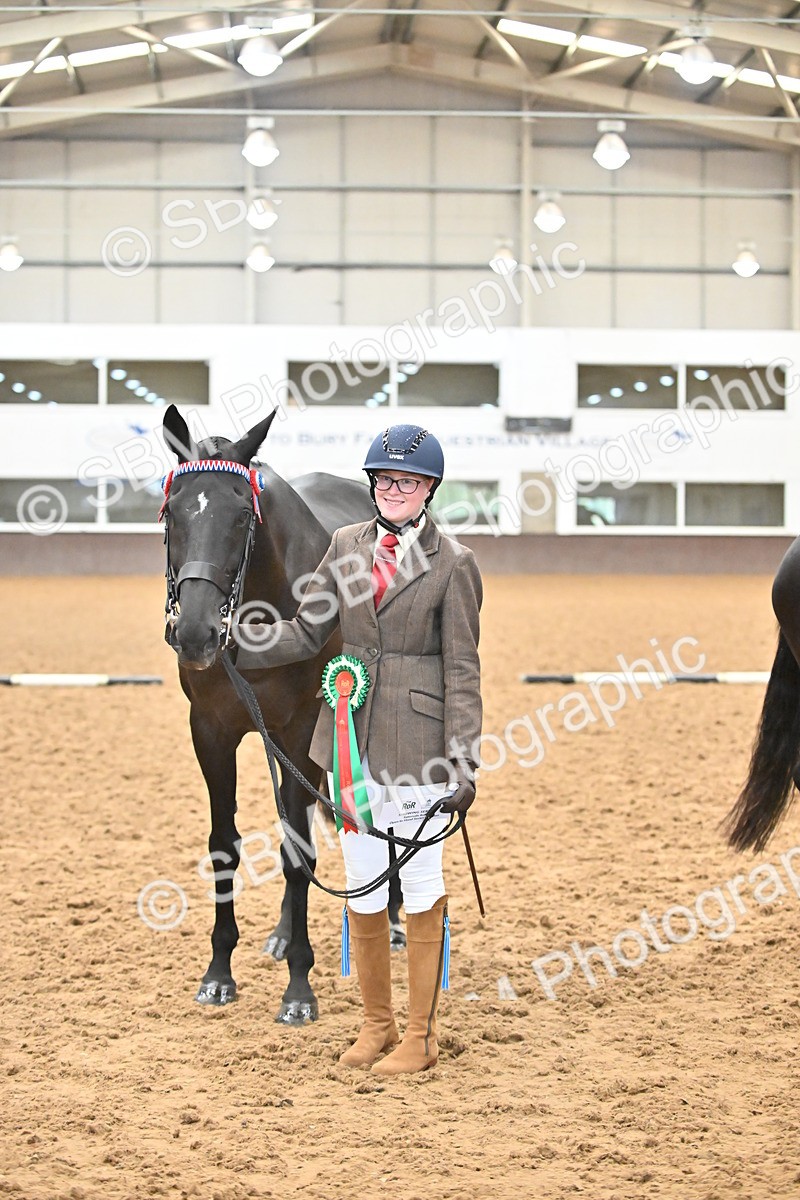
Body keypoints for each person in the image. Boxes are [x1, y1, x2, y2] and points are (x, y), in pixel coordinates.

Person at [235, 423, 482, 1074]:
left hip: (422, 741)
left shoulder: (454, 562)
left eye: (406, 481)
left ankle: (422, 1039)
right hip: (348, 737)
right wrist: (238, 643)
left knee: (421, 880)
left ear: (428, 488)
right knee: (363, 885)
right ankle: (378, 1028)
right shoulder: (345, 545)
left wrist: (464, 758)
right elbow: (304, 628)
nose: (393, 490)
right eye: (383, 480)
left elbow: (463, 669)